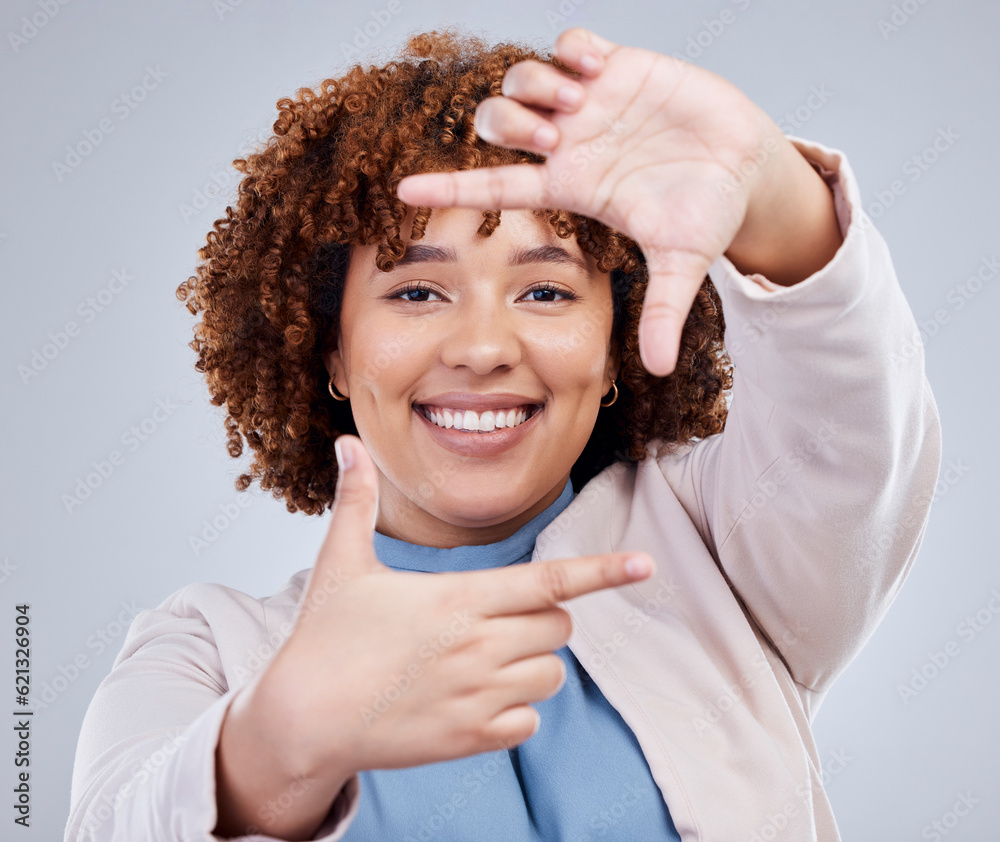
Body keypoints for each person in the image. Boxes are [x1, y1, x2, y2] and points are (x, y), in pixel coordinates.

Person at [64, 25, 941, 842]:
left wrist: (768, 187)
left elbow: (849, 419)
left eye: (547, 291)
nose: (483, 348)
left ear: (615, 351)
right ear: (329, 349)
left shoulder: (719, 547)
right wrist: (276, 742)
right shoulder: (208, 650)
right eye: (415, 291)